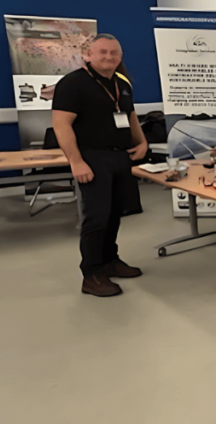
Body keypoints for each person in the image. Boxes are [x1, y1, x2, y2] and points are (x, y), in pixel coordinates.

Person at [52, 34, 147, 297]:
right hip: (92, 159)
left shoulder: (122, 83)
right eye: (102, 52)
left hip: (120, 156)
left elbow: (130, 115)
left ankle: (110, 261)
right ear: (88, 55)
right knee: (96, 217)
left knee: (115, 212)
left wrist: (143, 142)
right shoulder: (73, 84)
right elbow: (61, 125)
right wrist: (76, 161)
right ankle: (92, 274)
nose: (109, 57)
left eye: (114, 53)